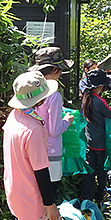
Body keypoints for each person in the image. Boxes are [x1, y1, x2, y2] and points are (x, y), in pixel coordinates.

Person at [3, 71, 62, 220]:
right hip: (31, 198)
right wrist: (50, 205)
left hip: (15, 191)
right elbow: (41, 170)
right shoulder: (33, 129)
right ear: (40, 99)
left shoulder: (14, 116)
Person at [29, 47, 75, 198]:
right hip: (51, 152)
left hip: (33, 149)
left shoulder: (32, 89)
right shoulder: (53, 95)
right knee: (48, 194)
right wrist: (67, 120)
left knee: (35, 193)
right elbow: (54, 130)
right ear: (55, 70)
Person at [80, 69, 111, 203]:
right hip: (101, 142)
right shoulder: (99, 101)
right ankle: (101, 192)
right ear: (101, 86)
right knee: (101, 169)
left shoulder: (85, 98)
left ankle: (87, 195)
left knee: (89, 169)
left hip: (89, 141)